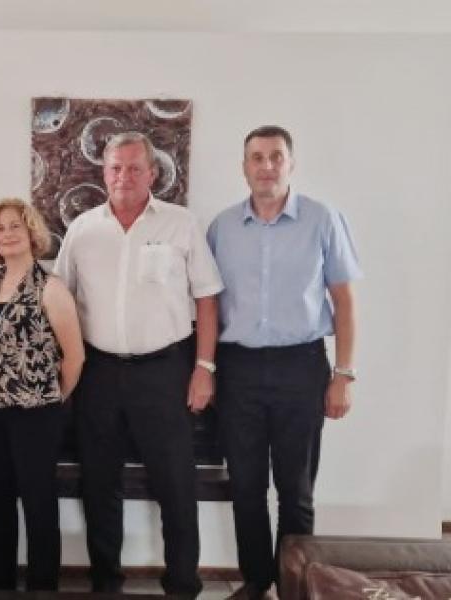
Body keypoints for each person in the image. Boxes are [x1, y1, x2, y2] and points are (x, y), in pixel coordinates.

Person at [54, 131, 223, 599]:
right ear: (103, 172)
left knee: (176, 484)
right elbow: (59, 298)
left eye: (133, 168)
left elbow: (208, 300)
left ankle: (183, 585)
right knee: (99, 483)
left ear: (152, 173)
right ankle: (106, 583)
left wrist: (204, 368)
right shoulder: (83, 229)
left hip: (165, 372)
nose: (123, 176)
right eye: (115, 167)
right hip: (98, 373)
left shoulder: (181, 224)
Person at [207, 125, 362, 600]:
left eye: (276, 156)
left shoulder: (322, 219)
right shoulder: (222, 227)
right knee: (246, 488)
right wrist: (206, 368)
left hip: (301, 367)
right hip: (238, 370)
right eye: (257, 157)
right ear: (244, 167)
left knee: (296, 491)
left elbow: (345, 301)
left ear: (290, 163)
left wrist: (344, 375)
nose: (267, 166)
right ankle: (256, 582)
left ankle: (295, 587)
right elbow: (207, 305)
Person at [0, 198, 84, 592]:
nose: (7, 234)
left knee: (38, 502)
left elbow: (74, 357)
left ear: (31, 232)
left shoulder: (51, 288)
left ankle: (42, 587)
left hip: (36, 414)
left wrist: (50, 399)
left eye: (15, 226)